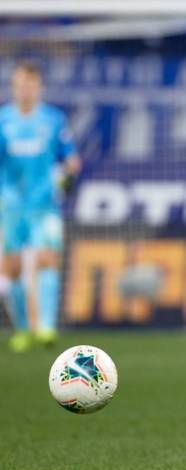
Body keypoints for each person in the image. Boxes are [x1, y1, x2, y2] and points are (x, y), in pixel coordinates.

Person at [0, 62, 81, 352]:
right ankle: (23, 329)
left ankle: (46, 327)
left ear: (39, 88)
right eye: (20, 84)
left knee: (47, 259)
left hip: (45, 204)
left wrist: (66, 178)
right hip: (9, 205)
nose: (25, 89)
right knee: (11, 268)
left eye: (30, 84)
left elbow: (71, 159)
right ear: (14, 87)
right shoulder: (2, 121)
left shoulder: (53, 120)